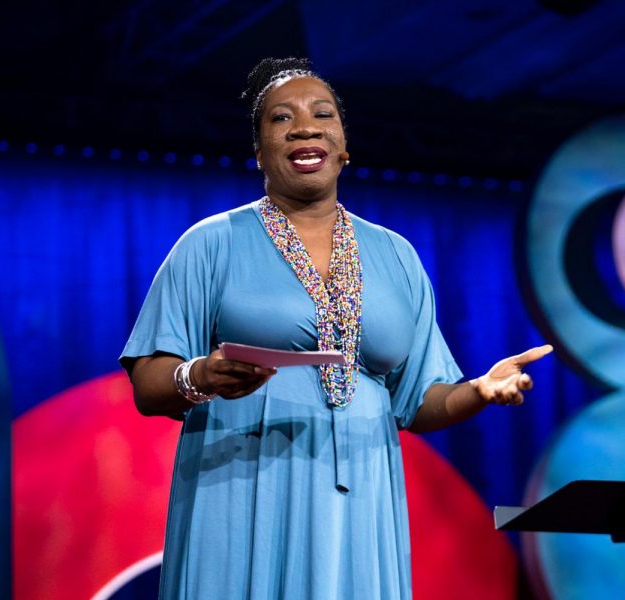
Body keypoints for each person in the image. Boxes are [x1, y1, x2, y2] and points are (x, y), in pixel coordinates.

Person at [120, 57, 552, 599]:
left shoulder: (395, 255)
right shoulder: (211, 243)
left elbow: (419, 402)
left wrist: (480, 392)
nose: (305, 126)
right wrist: (200, 376)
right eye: (281, 119)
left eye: (323, 114)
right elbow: (147, 382)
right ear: (259, 153)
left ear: (343, 145)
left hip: (360, 500)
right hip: (242, 492)